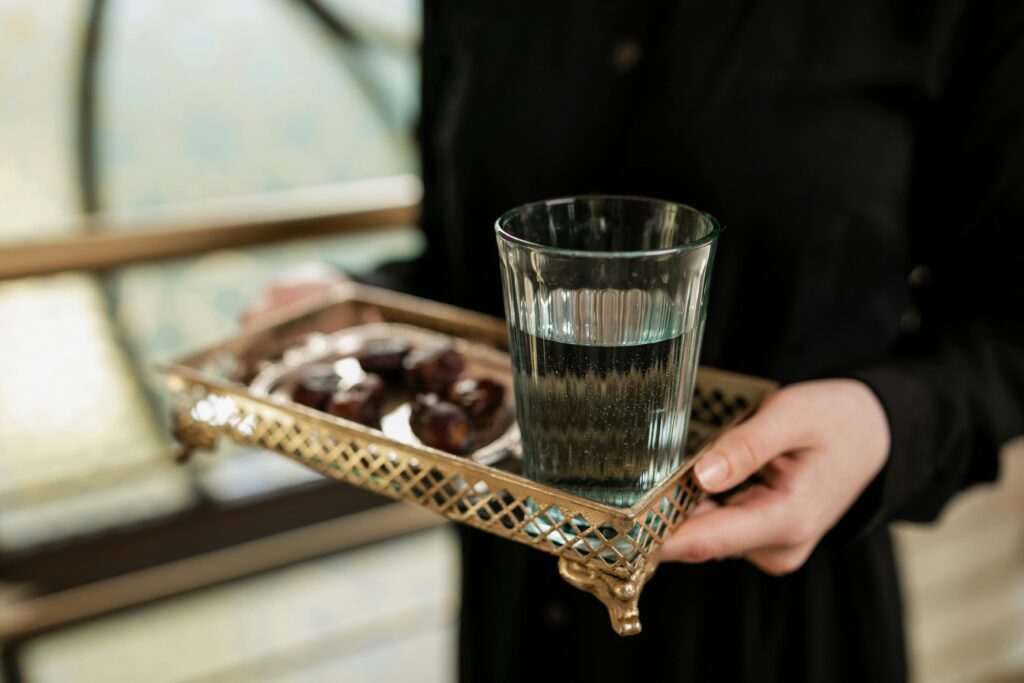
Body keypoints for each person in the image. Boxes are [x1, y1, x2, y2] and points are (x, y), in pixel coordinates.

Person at [258, 2, 1024, 681]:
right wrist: (361, 300)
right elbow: (465, 262)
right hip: (519, 597)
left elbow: (1004, 324)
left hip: (778, 619)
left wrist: (883, 418)